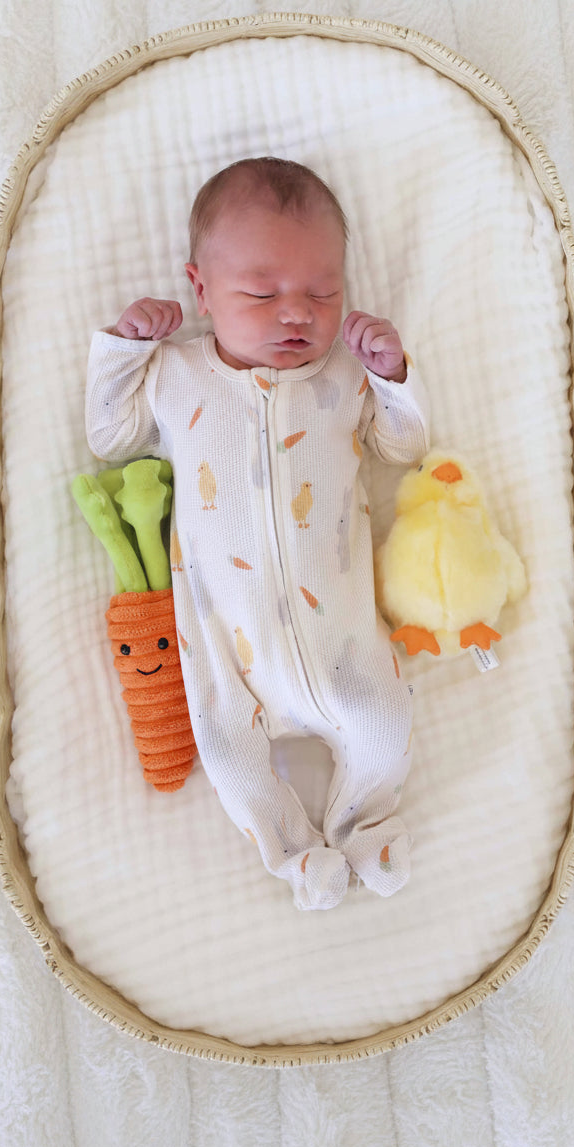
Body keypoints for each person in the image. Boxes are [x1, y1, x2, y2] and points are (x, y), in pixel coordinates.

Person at [85, 157, 429, 910]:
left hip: (342, 645)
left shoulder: (343, 377)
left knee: (385, 720)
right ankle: (297, 857)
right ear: (201, 289)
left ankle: (366, 826)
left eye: (322, 293)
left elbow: (402, 448)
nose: (296, 314)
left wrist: (393, 373)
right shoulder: (173, 375)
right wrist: (123, 349)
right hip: (227, 657)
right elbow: (110, 437)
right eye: (263, 294)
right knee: (228, 757)